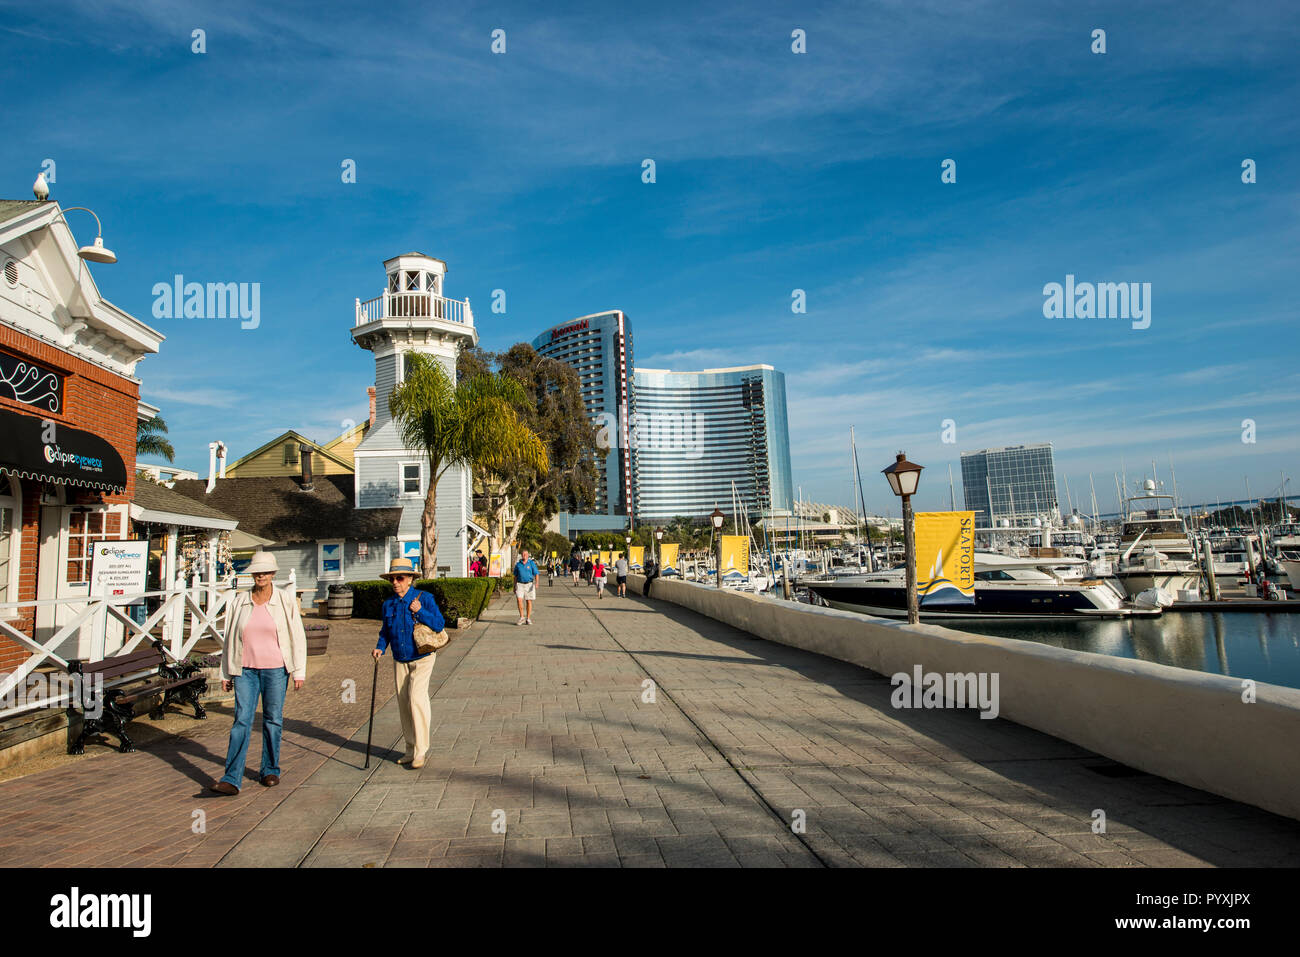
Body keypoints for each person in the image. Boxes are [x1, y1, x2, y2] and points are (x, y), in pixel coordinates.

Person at [210, 552, 306, 794]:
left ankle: (270, 769)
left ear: (273, 573)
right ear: (253, 574)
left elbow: (297, 636)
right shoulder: (239, 602)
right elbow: (229, 638)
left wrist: (299, 672)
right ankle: (231, 778)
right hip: (245, 671)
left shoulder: (285, 600)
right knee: (241, 720)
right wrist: (226, 673)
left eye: (265, 571)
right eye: (257, 571)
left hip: (276, 669)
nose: (261, 575)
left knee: (273, 719)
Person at [371, 557, 445, 769]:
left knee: (416, 699)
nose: (395, 582)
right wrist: (379, 646)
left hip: (423, 656)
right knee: (404, 704)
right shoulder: (389, 604)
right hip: (400, 658)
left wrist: (419, 610)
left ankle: (421, 751)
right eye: (392, 579)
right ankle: (410, 748)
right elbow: (385, 630)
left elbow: (439, 624)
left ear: (410, 579)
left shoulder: (425, 598)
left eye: (400, 578)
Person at [514, 548, 539, 625]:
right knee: (519, 600)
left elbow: (536, 573)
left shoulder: (531, 563)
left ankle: (528, 618)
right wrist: (514, 586)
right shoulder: (518, 564)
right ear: (521, 555)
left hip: (529, 584)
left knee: (528, 601)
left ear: (528, 555)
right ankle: (521, 617)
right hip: (520, 584)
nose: (524, 556)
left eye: (526, 554)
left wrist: (537, 582)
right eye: (523, 554)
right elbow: (515, 576)